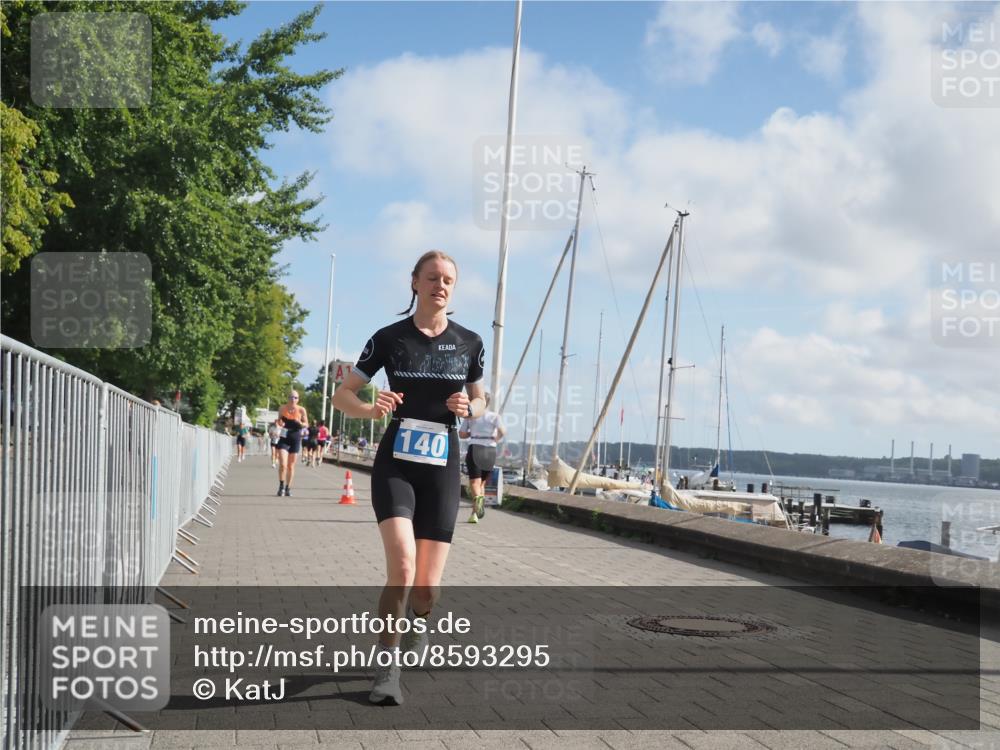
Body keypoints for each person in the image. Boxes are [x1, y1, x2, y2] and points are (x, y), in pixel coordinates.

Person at [332, 250, 485, 706]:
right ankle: (386, 667)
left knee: (426, 589)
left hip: (441, 465)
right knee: (401, 567)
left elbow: (481, 400)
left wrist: (469, 407)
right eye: (433, 277)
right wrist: (369, 408)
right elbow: (343, 395)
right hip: (396, 460)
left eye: (449, 280)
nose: (441, 285)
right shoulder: (389, 338)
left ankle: (419, 621)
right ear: (414, 282)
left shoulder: (470, 342)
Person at [458, 392, 505, 524]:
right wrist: (495, 439)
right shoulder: (495, 416)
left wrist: (472, 433)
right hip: (490, 449)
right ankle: (475, 514)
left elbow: (461, 434)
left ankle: (478, 498)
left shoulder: (470, 417)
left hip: (475, 447)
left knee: (474, 482)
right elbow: (503, 431)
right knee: (482, 483)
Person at [275, 391, 308, 496]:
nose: (293, 399)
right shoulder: (282, 408)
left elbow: (306, 424)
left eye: (295, 397)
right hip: (284, 437)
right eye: (291, 397)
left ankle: (288, 488)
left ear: (298, 399)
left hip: (295, 438)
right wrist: (279, 423)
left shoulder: (301, 410)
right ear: (287, 398)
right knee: (283, 464)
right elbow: (278, 421)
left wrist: (300, 423)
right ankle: (281, 487)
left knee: (291, 466)